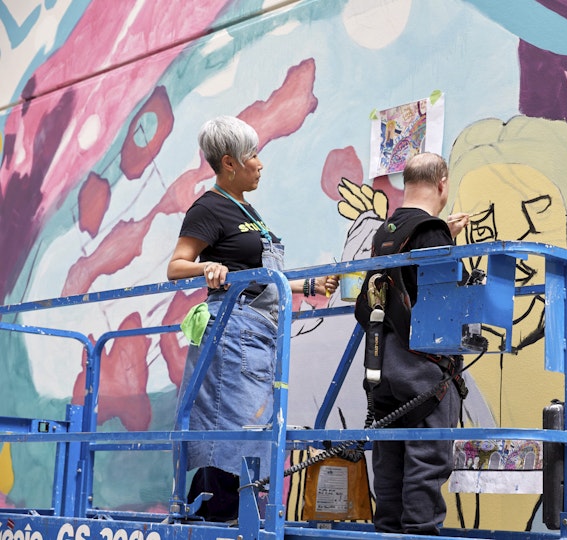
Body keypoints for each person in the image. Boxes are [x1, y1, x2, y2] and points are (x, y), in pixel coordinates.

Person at [168, 115, 337, 522]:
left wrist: (307, 288)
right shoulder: (208, 208)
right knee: (231, 431)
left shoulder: (247, 209)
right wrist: (205, 268)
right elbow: (176, 266)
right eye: (253, 155)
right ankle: (215, 516)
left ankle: (228, 514)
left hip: (262, 335)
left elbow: (261, 277)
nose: (260, 163)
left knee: (254, 433)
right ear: (229, 162)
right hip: (232, 333)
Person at [355, 152, 470, 534]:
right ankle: (420, 533)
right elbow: (444, 299)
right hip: (422, 370)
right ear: (442, 184)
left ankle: (388, 530)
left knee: (390, 462)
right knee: (426, 460)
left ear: (407, 183)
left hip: (382, 365)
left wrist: (443, 239)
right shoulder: (430, 230)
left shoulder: (385, 231)